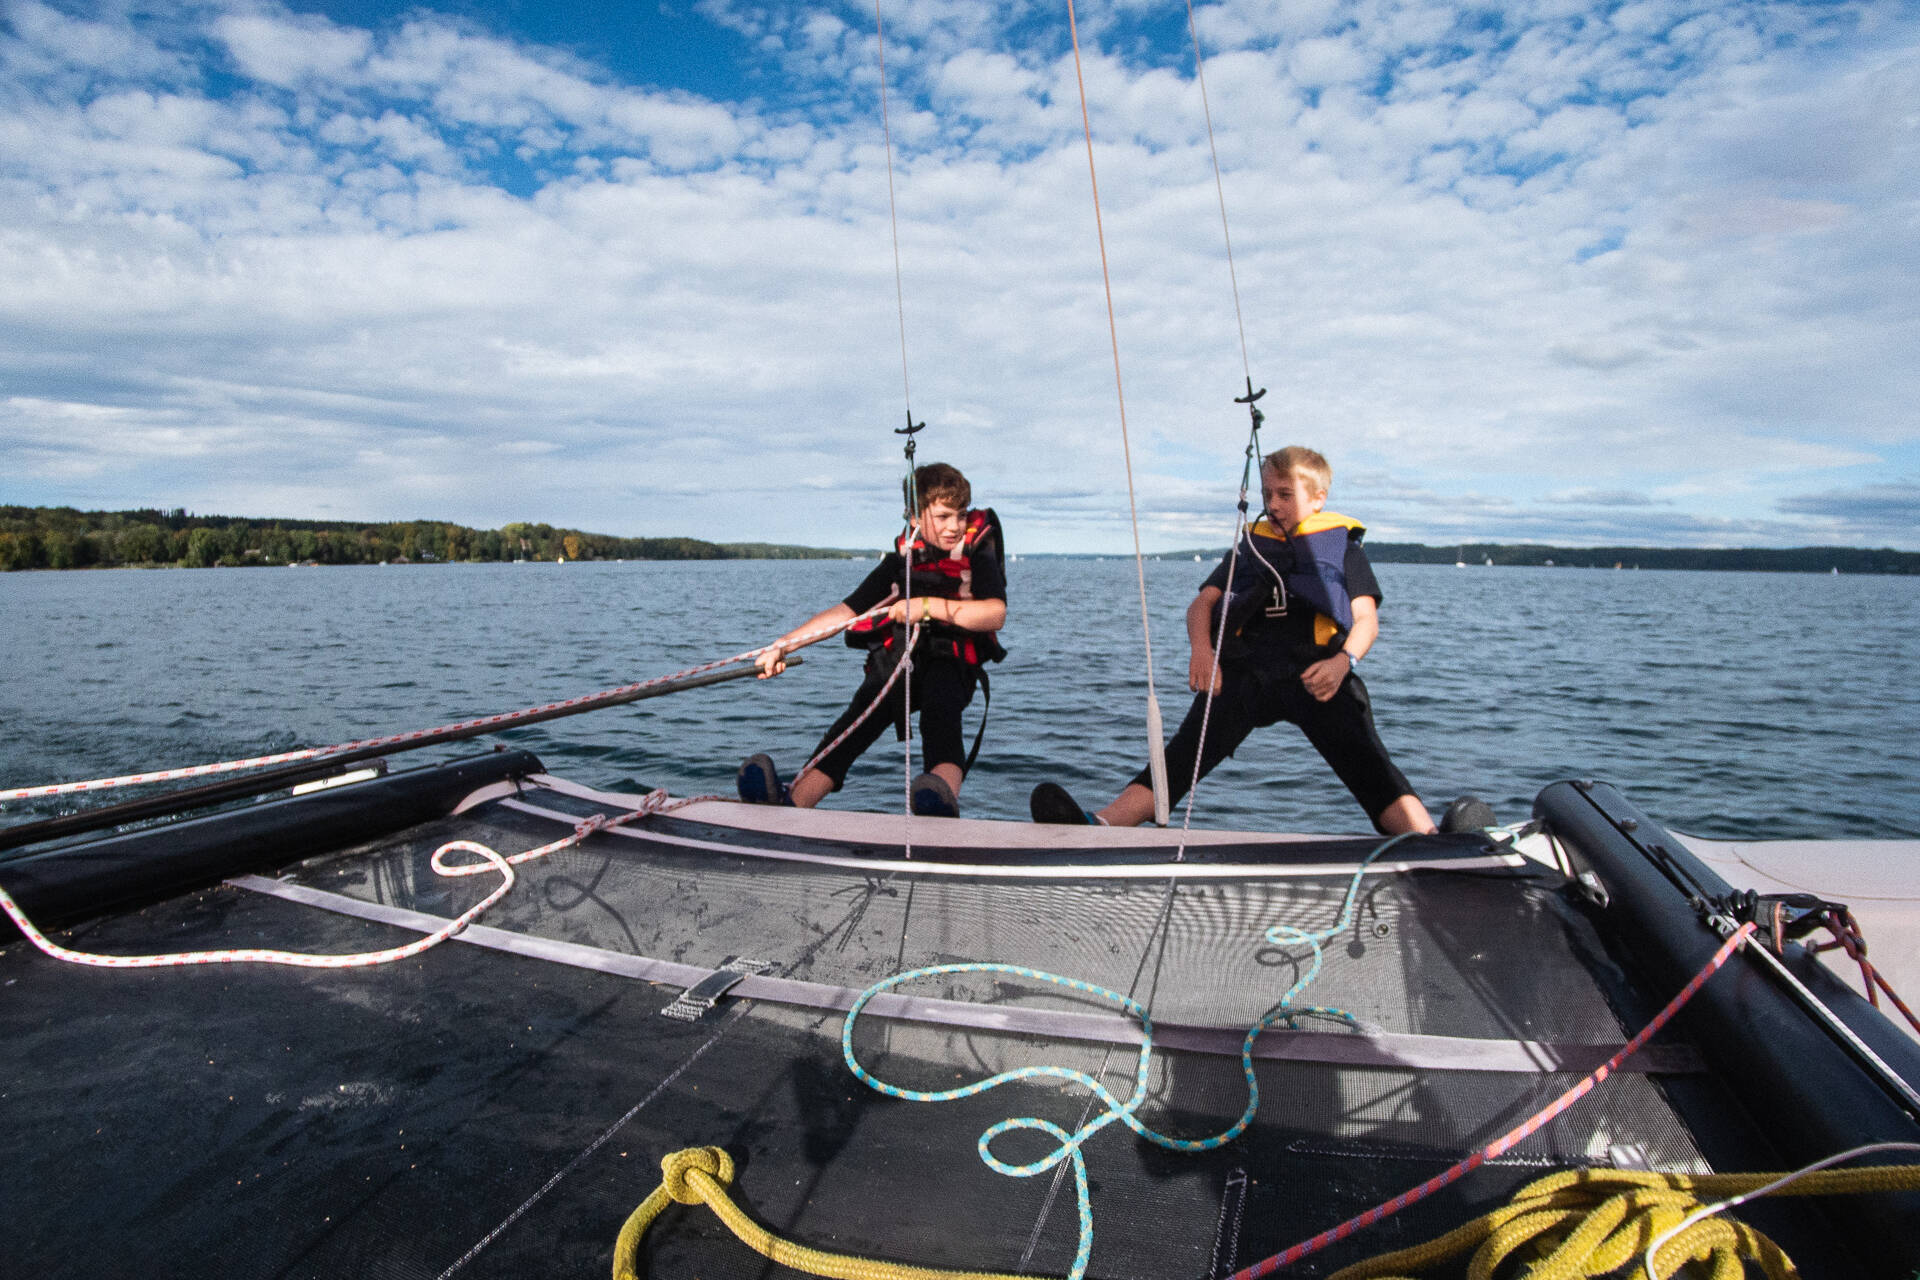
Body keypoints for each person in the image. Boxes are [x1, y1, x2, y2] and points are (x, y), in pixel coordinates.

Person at [1031, 445, 1443, 834]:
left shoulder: (1343, 549)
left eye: (1285, 493)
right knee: (1180, 757)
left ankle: (1431, 839)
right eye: (1268, 494)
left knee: (1369, 764)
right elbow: (1201, 606)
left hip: (1319, 675)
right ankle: (1100, 825)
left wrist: (1342, 664)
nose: (1274, 503)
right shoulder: (1250, 546)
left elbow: (1366, 621)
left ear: (1318, 499)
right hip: (1246, 676)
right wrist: (1202, 652)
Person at [737, 462, 1007, 818]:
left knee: (941, 718)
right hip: (900, 661)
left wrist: (927, 606)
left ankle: (940, 806)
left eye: (960, 515)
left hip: (952, 659)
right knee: (853, 725)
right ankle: (792, 805)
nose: (954, 526)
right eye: (942, 516)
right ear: (914, 517)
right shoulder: (898, 564)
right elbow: (846, 611)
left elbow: (995, 614)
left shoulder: (977, 554)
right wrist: (783, 645)